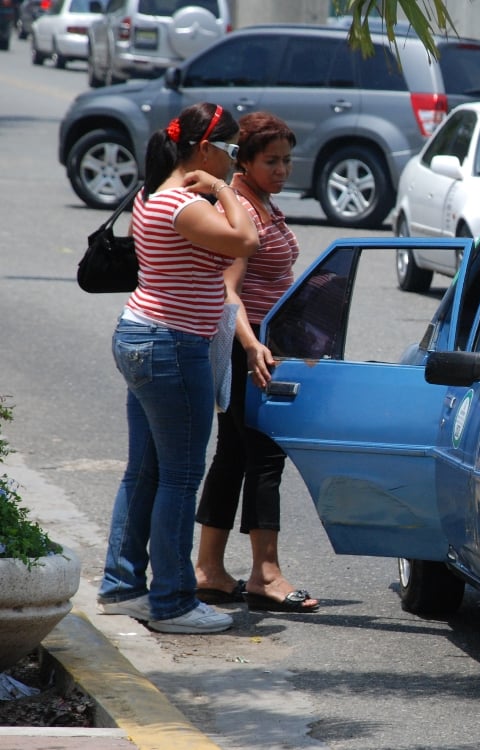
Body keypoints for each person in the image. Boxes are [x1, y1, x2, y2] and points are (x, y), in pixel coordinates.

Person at [96, 102, 259, 634]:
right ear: (206, 149)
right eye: (233, 151)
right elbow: (246, 241)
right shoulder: (183, 205)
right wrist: (226, 190)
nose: (236, 162)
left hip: (146, 336)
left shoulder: (155, 195)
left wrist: (214, 188)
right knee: (181, 476)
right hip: (171, 345)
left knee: (145, 470)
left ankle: (122, 586)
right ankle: (171, 602)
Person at [193, 112, 319, 614]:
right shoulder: (241, 206)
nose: (283, 169)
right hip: (253, 351)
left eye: (288, 160)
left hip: (267, 347)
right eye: (272, 161)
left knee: (232, 457)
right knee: (264, 457)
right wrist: (251, 346)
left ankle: (209, 570)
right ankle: (265, 575)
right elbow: (230, 291)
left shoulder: (263, 202)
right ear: (243, 160)